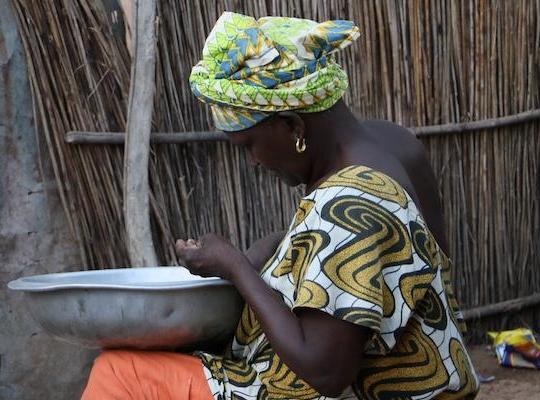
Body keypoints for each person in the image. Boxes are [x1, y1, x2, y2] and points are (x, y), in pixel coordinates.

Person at [81, 11, 479, 400]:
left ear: (292, 126)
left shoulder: (349, 202)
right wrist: (280, 246)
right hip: (432, 378)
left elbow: (325, 373)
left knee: (120, 372)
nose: (254, 161)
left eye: (249, 145)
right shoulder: (392, 143)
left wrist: (234, 266)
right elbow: (395, 263)